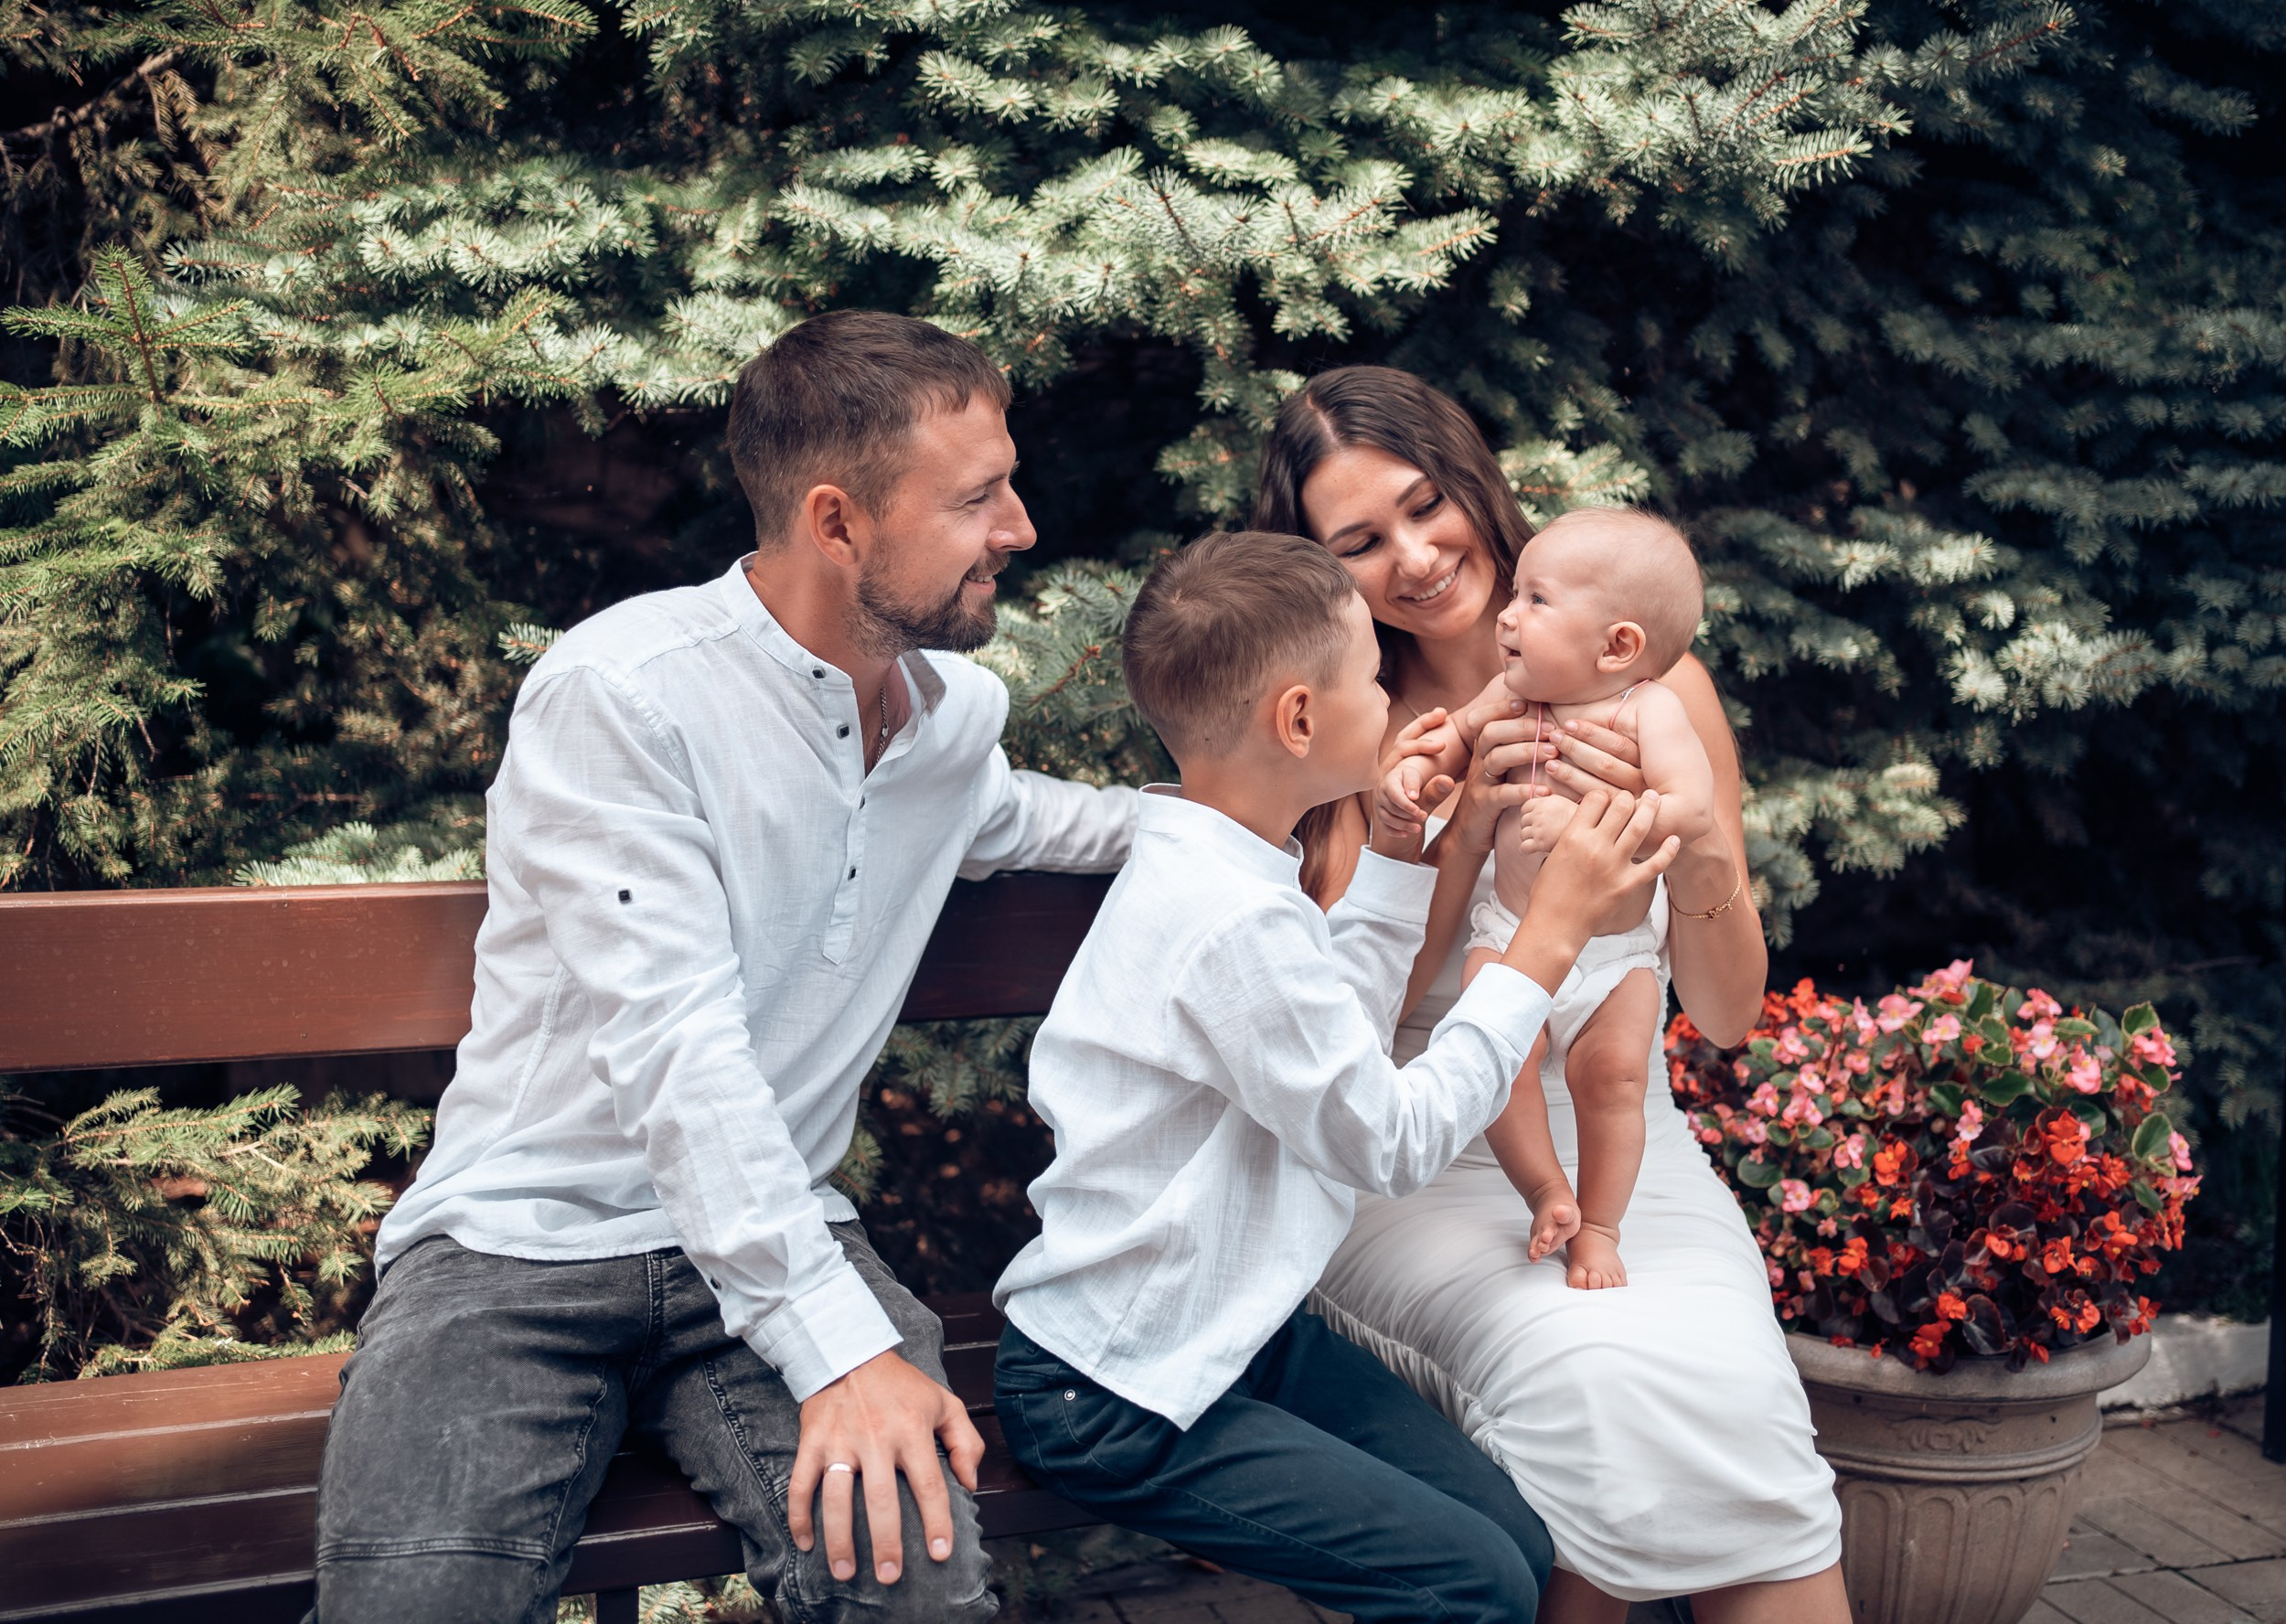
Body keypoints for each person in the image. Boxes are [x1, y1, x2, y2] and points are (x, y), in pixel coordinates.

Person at [310, 310, 1138, 1624]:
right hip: (517, 1247)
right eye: (979, 496)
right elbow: (675, 1052)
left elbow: (1025, 818)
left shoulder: (948, 716)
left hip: (769, 1238)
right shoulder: (624, 693)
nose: (1020, 527)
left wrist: (1298, 808)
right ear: (837, 521)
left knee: (917, 1597)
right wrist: (840, 1350)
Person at [991, 529, 1679, 1624]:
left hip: (1240, 1332)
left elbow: (1336, 1057)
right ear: (1299, 720)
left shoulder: (1232, 866)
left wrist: (1400, 852)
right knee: (1476, 1584)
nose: (1396, 704)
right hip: (1116, 1389)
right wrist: (1545, 941)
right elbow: (1387, 1140)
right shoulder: (1223, 919)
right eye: (1369, 677)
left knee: (1524, 1547)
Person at [1254, 366, 1849, 1623]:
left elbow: (1730, 1013)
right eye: (1359, 542)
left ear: (1473, 482)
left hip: (1620, 1131)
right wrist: (1452, 839)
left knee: (1727, 1383)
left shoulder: (1656, 691)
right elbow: (1353, 1039)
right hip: (1420, 1150)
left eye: (1427, 507)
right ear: (1318, 568)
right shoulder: (1348, 725)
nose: (1415, 558)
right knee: (1593, 1376)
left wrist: (1693, 853)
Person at [1379, 508, 1718, 1289]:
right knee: (1495, 1061)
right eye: (1516, 595)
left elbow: (1689, 806)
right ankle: (1545, 1192)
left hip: (1614, 955)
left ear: (1618, 646)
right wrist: (1416, 771)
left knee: (1614, 1081)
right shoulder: (1511, 694)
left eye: (1536, 600)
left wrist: (1593, 820)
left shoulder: (1649, 710)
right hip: (1509, 935)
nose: (1507, 615)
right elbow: (1452, 740)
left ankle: (1599, 1225)